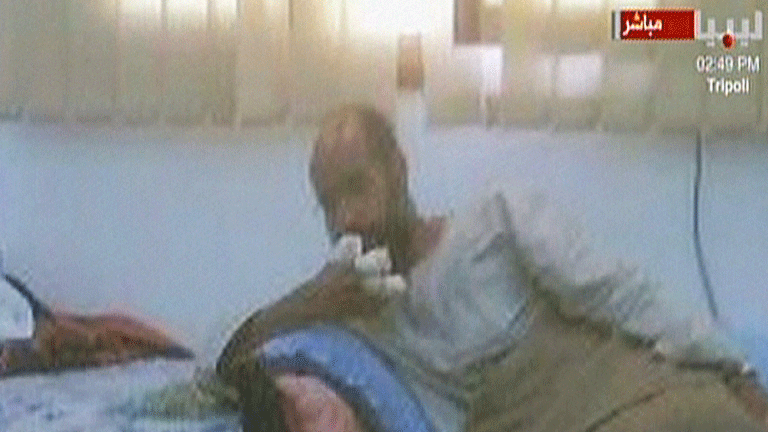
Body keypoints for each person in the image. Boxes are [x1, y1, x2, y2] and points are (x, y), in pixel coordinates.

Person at [218, 104, 768, 432]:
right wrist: (310, 301)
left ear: (400, 170)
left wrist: (734, 366)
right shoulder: (354, 317)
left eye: (357, 187)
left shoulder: (496, 219)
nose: (346, 218)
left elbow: (620, 293)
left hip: (635, 395)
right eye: (328, 205)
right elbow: (223, 365)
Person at [0, 248, 194, 377]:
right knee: (85, 347)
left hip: (24, 323)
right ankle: (173, 351)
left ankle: (176, 350)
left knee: (87, 339)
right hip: (23, 329)